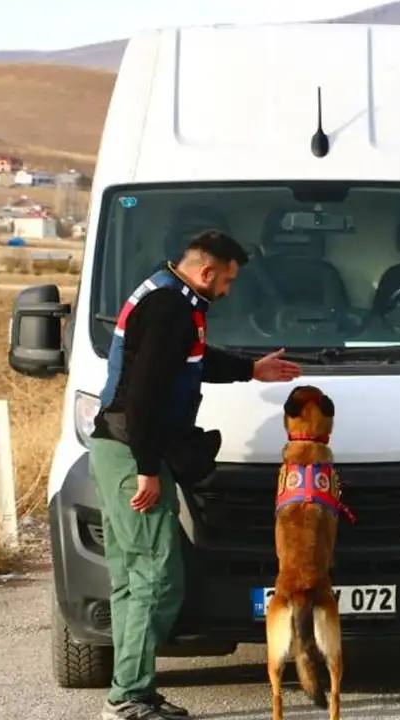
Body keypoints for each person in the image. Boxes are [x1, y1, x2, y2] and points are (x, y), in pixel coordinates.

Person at [89, 229, 303, 720]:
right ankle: (128, 698)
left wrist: (251, 370)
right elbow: (142, 395)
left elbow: (188, 363)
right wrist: (146, 468)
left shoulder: (167, 296)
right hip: (131, 452)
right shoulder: (169, 308)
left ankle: (130, 691)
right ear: (207, 272)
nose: (227, 291)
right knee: (155, 577)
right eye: (227, 280)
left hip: (117, 447)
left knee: (130, 579)